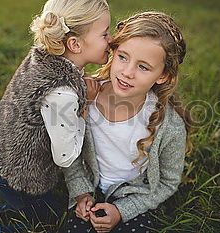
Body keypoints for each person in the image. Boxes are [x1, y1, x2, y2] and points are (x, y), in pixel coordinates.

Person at [0, 0, 111, 232]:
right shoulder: (61, 93)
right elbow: (65, 157)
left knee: (30, 207)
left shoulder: (45, 59)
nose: (111, 39)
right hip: (21, 175)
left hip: (1, 156)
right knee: (48, 221)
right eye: (105, 34)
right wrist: (84, 108)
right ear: (75, 44)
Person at [62, 11, 193, 233]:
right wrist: (81, 193)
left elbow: (168, 182)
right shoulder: (85, 96)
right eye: (123, 57)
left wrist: (123, 210)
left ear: (162, 76)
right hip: (90, 188)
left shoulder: (168, 125)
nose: (128, 72)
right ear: (113, 52)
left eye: (143, 67)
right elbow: (68, 153)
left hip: (134, 195)